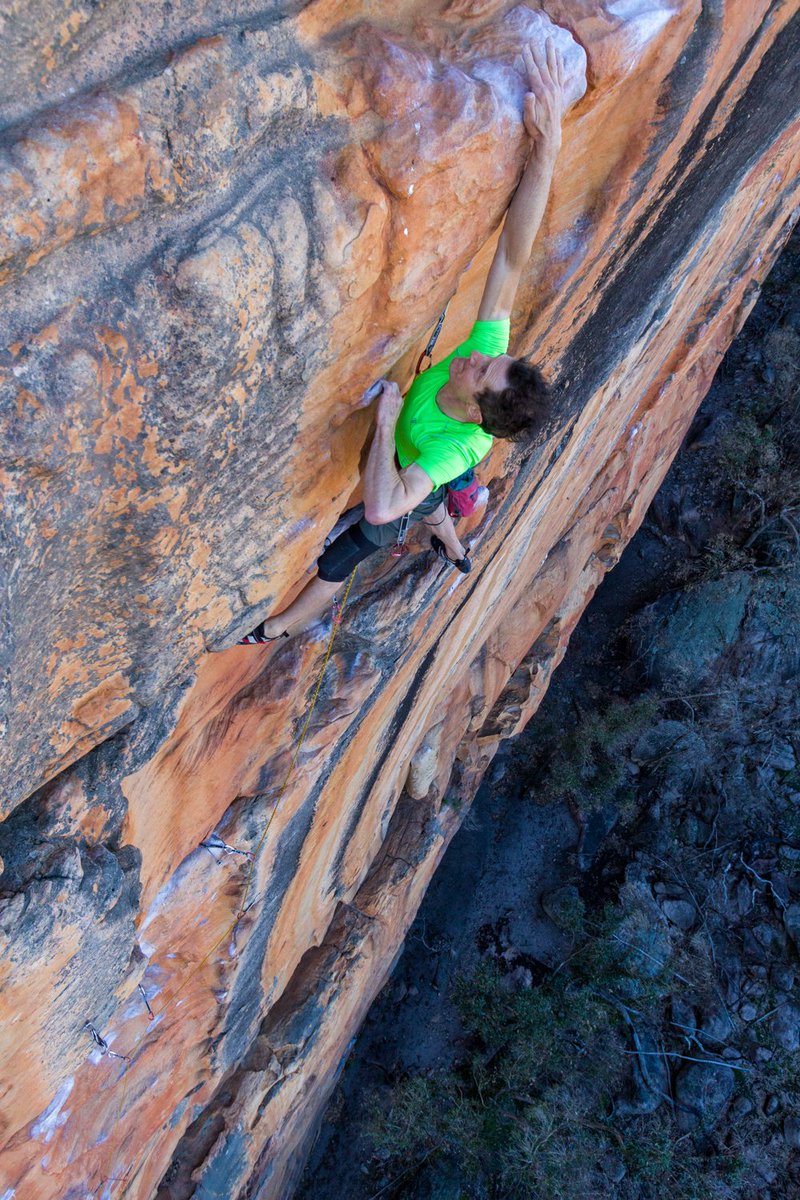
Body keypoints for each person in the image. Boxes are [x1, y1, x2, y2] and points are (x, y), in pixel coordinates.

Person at [239, 37, 567, 645]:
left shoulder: (454, 448)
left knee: (349, 554)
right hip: (424, 473)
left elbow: (383, 508)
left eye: (479, 371)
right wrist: (549, 140)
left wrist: (388, 423)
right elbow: (513, 257)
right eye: (491, 356)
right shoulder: (486, 360)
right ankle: (451, 542)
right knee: (435, 509)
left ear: (475, 410)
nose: (474, 354)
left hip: (413, 468)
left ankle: (279, 628)